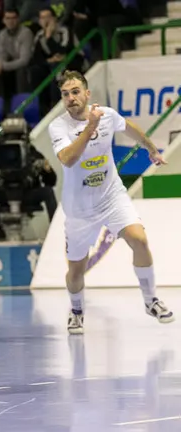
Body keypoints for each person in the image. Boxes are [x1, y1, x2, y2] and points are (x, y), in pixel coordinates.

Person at [47, 70, 174, 335]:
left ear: (87, 93)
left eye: (75, 92)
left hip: (112, 197)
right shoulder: (58, 126)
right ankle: (77, 310)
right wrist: (90, 127)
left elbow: (128, 127)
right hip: (79, 210)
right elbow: (68, 158)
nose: (71, 98)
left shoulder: (106, 114)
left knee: (139, 239)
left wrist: (152, 149)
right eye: (65, 94)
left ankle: (151, 301)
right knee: (76, 269)